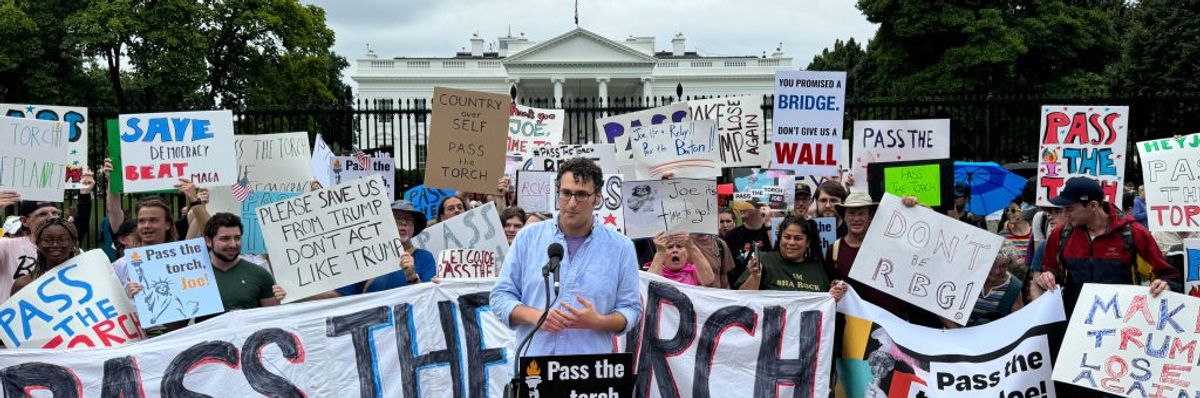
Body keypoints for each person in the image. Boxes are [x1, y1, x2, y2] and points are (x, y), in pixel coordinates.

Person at [491, 158, 641, 355]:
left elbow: (631, 309)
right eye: (566, 193)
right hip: (534, 370)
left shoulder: (621, 248)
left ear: (596, 197)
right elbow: (500, 297)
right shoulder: (527, 238)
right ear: (557, 193)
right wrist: (534, 316)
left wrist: (598, 321)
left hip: (591, 372)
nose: (571, 203)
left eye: (581, 195)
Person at [1034, 177, 1181, 315]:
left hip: (1121, 323)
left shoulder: (1134, 234)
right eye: (1063, 209)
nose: (1065, 215)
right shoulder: (1060, 234)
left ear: (1093, 206)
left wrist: (1165, 284)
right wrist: (1047, 277)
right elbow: (1050, 270)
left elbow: (1169, 276)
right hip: (1073, 325)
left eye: (1070, 209)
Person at [826, 192, 910, 317]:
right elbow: (829, 287)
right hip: (856, 327)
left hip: (893, 324)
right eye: (851, 213)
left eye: (861, 213)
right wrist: (834, 289)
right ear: (845, 216)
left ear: (870, 216)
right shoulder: (834, 250)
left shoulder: (889, 244)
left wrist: (914, 207)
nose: (856, 219)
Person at [334, 200, 437, 295]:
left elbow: (427, 297)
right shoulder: (366, 256)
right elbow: (343, 296)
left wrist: (412, 276)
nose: (403, 223)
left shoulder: (424, 257)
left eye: (409, 219)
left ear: (414, 227)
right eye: (397, 218)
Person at [737, 216, 848, 299]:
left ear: (808, 242)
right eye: (787, 237)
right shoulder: (764, 261)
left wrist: (835, 294)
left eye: (798, 238)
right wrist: (755, 277)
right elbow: (740, 299)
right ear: (780, 238)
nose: (791, 242)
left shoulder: (818, 267)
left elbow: (826, 303)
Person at [201, 213, 281, 311]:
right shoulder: (193, 278)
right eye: (225, 239)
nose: (233, 244)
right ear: (208, 241)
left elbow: (273, 318)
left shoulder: (261, 275)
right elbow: (179, 324)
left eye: (237, 238)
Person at [941, 242, 1025, 328]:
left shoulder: (1013, 288)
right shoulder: (968, 276)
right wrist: (956, 332)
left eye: (1003, 266)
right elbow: (941, 308)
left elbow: (1018, 323)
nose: (997, 271)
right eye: (993, 265)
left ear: (1009, 264)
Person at [10, 218, 81, 295]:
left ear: (73, 243)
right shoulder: (23, 285)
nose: (55, 245)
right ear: (37, 244)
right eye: (47, 240)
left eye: (62, 240)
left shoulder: (89, 279)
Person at [725, 199, 771, 287]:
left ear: (760, 209)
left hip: (766, 289)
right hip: (740, 289)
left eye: (746, 204)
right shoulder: (731, 235)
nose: (741, 208)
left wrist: (768, 223)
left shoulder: (769, 232)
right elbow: (727, 267)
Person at [645, 232, 715, 287]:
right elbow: (648, 284)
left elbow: (708, 280)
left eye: (679, 246)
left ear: (687, 253)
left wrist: (690, 245)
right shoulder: (655, 270)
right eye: (670, 247)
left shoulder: (693, 271)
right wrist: (660, 252)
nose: (675, 250)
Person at [998, 201, 1033, 279]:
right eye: (1007, 210)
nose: (1009, 213)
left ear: (1024, 210)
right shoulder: (1002, 236)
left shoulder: (1036, 234)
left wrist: (1028, 261)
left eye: (1013, 210)